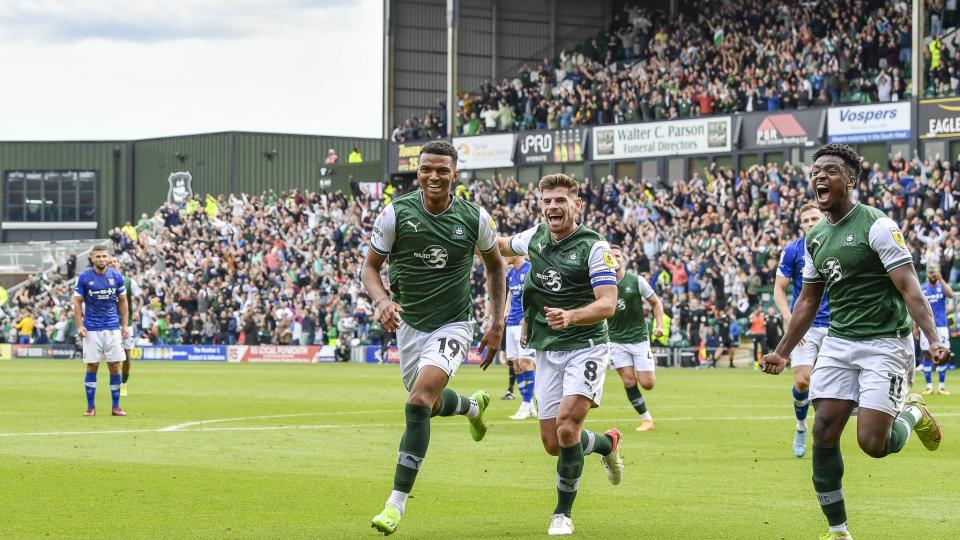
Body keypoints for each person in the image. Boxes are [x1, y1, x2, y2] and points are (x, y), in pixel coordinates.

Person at [761, 144, 945, 540]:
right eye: (816, 173)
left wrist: (933, 338)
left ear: (851, 180)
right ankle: (839, 531)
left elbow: (910, 287)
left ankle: (912, 413)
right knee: (824, 430)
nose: (819, 178)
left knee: (873, 444)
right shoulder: (815, 239)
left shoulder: (876, 225)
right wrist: (782, 350)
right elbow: (807, 300)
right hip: (840, 344)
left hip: (886, 344)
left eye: (830, 171)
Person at [365, 140, 506, 536]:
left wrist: (496, 322)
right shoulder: (396, 213)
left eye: (442, 170)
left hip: (453, 324)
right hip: (409, 324)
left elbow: (496, 268)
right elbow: (371, 267)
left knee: (418, 401)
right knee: (427, 401)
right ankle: (470, 408)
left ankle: (395, 504)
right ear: (418, 172)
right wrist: (381, 301)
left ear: (454, 174)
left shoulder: (474, 217)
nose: (434, 176)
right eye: (427, 169)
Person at [498, 173, 623, 536]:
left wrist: (571, 316)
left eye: (561, 200)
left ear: (576, 205)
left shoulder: (594, 247)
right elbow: (503, 245)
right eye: (548, 201)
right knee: (554, 443)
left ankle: (562, 513)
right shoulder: (534, 236)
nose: (554, 206)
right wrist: (470, 231)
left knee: (568, 428)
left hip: (586, 346)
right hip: (547, 348)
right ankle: (606, 443)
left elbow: (608, 304)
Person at [774, 202, 832, 458]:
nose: (810, 222)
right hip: (805, 325)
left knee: (830, 386)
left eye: (814, 218)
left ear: (824, 218)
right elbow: (779, 289)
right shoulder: (793, 250)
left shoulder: (837, 244)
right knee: (802, 380)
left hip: (835, 325)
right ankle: (800, 425)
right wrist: (788, 317)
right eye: (806, 219)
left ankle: (827, 435)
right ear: (801, 224)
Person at [607, 244, 664, 432]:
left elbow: (656, 303)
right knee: (629, 381)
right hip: (615, 340)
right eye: (611, 255)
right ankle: (646, 419)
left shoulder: (636, 281)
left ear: (623, 260)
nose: (614, 258)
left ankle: (646, 416)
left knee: (648, 383)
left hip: (639, 338)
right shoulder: (601, 284)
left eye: (618, 255)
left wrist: (660, 326)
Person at [73, 246, 129, 417]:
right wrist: (79, 325)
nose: (102, 259)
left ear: (108, 257)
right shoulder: (84, 277)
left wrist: (125, 325)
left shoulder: (116, 276)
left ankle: (116, 407)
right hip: (92, 328)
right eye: (98, 256)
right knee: (92, 365)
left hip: (112, 327)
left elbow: (123, 302)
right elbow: (76, 302)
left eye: (104, 256)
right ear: (92, 258)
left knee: (114, 366)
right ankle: (91, 407)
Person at [504, 254, 538, 420]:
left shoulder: (530, 269)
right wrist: (505, 310)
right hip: (511, 323)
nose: (505, 256)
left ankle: (525, 404)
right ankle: (530, 403)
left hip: (524, 323)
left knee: (526, 363)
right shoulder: (511, 273)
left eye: (507, 253)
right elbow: (510, 293)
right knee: (517, 365)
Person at [111, 257, 142, 397]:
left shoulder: (129, 282)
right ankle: (116, 385)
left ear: (119, 265)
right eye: (110, 262)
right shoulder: (102, 282)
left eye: (115, 261)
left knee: (127, 357)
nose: (113, 263)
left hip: (126, 324)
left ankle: (124, 383)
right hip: (109, 324)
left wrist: (136, 311)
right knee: (114, 358)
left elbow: (140, 299)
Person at [919, 270, 953, 395]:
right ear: (927, 275)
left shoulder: (941, 287)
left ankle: (942, 387)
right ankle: (929, 387)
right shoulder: (922, 289)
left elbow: (951, 295)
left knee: (944, 355)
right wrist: (915, 326)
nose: (933, 276)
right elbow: (917, 308)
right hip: (926, 327)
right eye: (931, 273)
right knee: (927, 354)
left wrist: (941, 279)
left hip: (942, 326)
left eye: (935, 273)